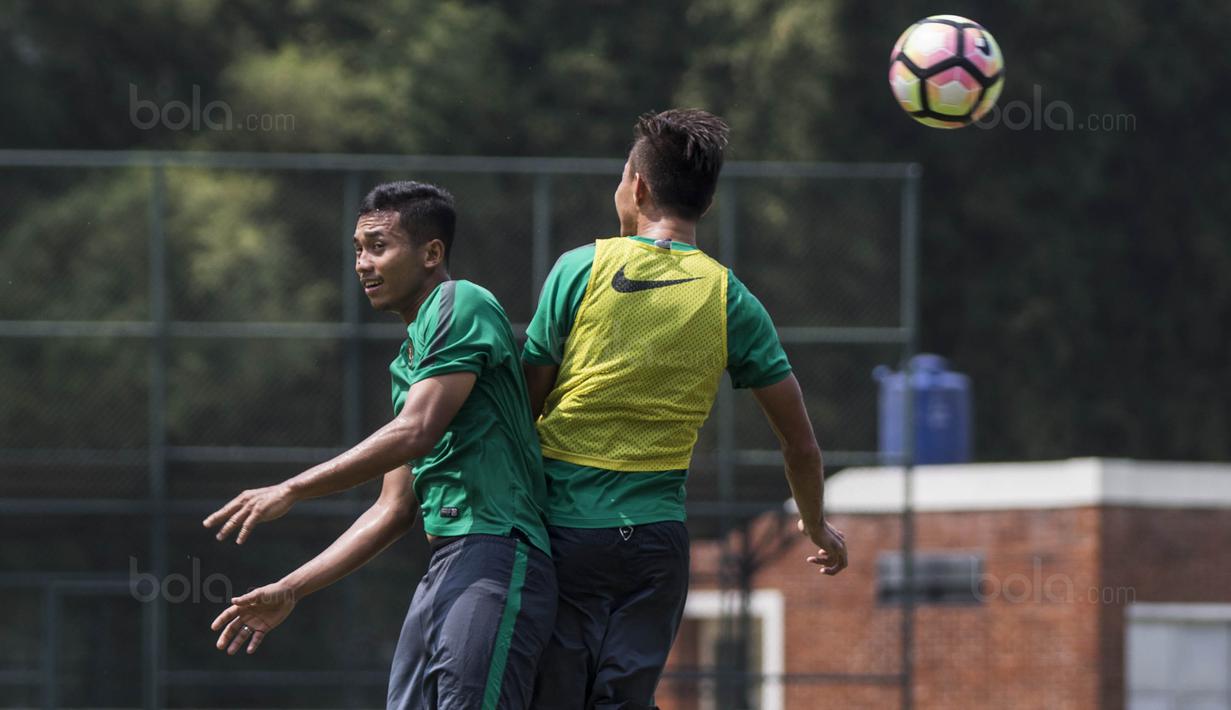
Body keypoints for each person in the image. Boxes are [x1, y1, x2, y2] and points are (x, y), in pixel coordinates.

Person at [522, 109, 849, 709]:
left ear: (638, 187)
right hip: (656, 546)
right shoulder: (732, 300)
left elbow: (526, 405)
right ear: (707, 200)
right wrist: (814, 523)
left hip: (566, 530)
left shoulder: (579, 269)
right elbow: (800, 444)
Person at [202, 181, 557, 710]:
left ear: (432, 253)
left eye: (378, 246)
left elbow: (417, 431)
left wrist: (293, 489)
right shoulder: (408, 363)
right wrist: (292, 589)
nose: (363, 264)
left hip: (495, 554)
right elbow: (392, 510)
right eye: (358, 250)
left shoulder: (461, 303)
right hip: (446, 568)